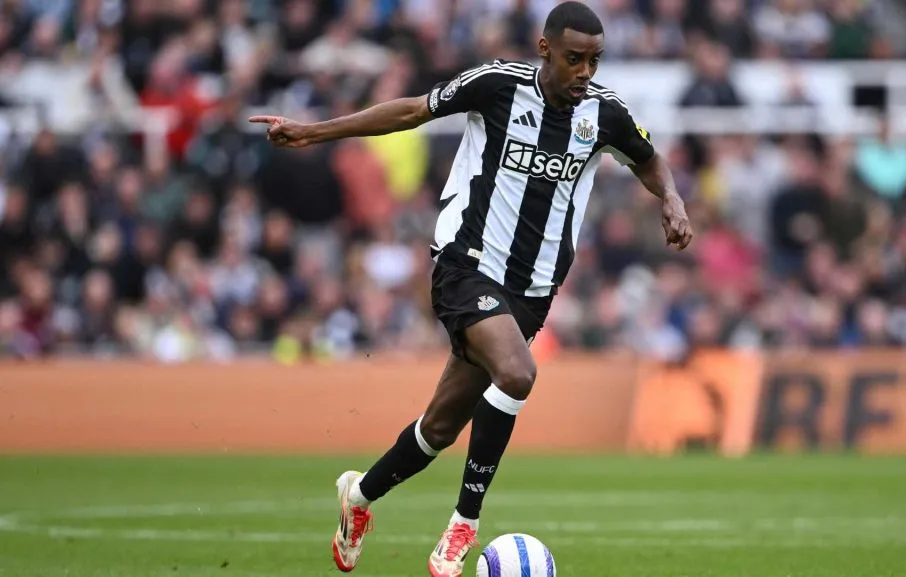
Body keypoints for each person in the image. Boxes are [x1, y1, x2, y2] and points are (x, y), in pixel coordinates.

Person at [249, 3, 694, 576]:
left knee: (438, 429)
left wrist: (673, 200)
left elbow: (651, 161)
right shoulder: (496, 85)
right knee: (518, 374)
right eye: (574, 58)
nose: (585, 71)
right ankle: (463, 525)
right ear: (545, 49)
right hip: (467, 264)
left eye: (594, 60)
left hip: (533, 290)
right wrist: (314, 133)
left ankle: (358, 497)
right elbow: (412, 111)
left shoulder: (604, 115)